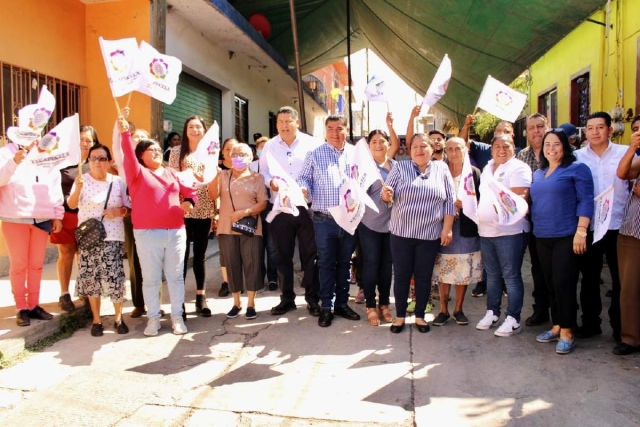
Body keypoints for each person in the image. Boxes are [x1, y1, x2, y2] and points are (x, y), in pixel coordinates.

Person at [118, 116, 197, 336]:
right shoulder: (137, 173)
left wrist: (190, 202)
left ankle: (177, 317)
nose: (155, 152)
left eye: (157, 149)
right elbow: (126, 153)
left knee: (176, 277)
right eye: (150, 150)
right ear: (140, 155)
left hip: (176, 232)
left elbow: (190, 190)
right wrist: (124, 133)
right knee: (151, 278)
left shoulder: (171, 172)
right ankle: (153, 318)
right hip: (147, 234)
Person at [381, 133, 455, 334]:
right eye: (415, 147)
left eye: (424, 146)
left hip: (429, 235)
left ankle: (421, 316)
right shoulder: (400, 168)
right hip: (401, 234)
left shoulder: (441, 168)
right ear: (409, 150)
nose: (419, 150)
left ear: (432, 149)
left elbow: (449, 200)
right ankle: (400, 317)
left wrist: (446, 229)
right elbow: (387, 196)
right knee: (403, 276)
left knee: (424, 277)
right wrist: (386, 195)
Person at [530, 129, 593, 354]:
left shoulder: (577, 169)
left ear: (565, 146)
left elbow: (586, 201)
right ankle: (557, 325)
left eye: (556, 144)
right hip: (542, 236)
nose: (551, 148)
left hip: (567, 236)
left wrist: (581, 231)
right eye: (547, 144)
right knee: (550, 283)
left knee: (564, 282)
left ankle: (568, 331)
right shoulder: (540, 173)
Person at [297, 115, 362, 327]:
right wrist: (304, 188)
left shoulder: (356, 154)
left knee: (344, 263)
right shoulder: (315, 154)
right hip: (324, 220)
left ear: (347, 129)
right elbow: (303, 178)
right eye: (331, 128)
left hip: (349, 219)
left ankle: (342, 303)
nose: (335, 132)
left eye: (339, 128)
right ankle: (327, 305)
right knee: (325, 263)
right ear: (325, 131)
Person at [260, 106, 322, 317]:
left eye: (288, 121)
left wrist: (308, 188)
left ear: (297, 123)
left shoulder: (311, 144)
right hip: (280, 208)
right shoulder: (269, 146)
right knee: (282, 256)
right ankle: (287, 299)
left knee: (310, 256)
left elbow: (318, 173)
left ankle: (313, 299)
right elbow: (263, 173)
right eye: (280, 122)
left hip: (306, 208)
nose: (284, 125)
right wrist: (272, 183)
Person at [67, 143, 131, 337]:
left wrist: (117, 211)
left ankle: (118, 317)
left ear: (109, 161)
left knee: (114, 278)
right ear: (88, 161)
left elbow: (128, 208)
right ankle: (97, 320)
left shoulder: (118, 181)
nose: (98, 162)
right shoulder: (81, 180)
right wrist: (77, 189)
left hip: (112, 236)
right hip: (88, 239)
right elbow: (71, 204)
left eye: (102, 158)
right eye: (93, 158)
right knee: (92, 279)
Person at [574, 112, 627, 341]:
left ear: (609, 130)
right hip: (590, 226)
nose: (595, 132)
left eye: (600, 127)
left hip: (618, 224)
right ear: (585, 131)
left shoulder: (625, 153)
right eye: (590, 128)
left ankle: (621, 327)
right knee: (589, 278)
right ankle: (590, 323)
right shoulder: (577, 157)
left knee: (620, 280)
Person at [0, 137, 64, 326]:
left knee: (36, 264)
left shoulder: (46, 154)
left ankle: (34, 304)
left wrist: (57, 214)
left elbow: (54, 185)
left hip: (42, 218)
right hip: (15, 218)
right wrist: (14, 162)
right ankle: (21, 308)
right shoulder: (5, 153)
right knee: (19, 265)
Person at [475, 135, 531, 337]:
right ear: (491, 150)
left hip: (510, 232)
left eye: (505, 146)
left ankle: (513, 318)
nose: (501, 150)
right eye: (496, 146)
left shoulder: (518, 168)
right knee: (492, 276)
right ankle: (493, 312)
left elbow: (517, 200)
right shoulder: (487, 168)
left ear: (513, 148)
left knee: (511, 276)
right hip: (486, 231)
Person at [208, 143, 267, 319]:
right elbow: (212, 195)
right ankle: (236, 302)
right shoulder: (223, 175)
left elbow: (263, 203)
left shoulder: (257, 178)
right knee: (232, 265)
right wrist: (214, 175)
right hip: (227, 228)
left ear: (251, 158)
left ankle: (251, 303)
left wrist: (246, 212)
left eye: (242, 154)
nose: (238, 157)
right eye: (234, 154)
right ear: (228, 157)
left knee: (252, 264)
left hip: (250, 228)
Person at [169, 116, 217, 318]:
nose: (195, 130)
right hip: (184, 208)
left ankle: (200, 297)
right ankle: (178, 302)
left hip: (205, 208)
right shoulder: (176, 152)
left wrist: (216, 209)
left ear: (204, 130)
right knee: (179, 255)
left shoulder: (210, 152)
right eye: (191, 126)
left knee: (200, 254)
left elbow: (214, 179)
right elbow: (171, 179)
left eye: (198, 127)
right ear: (185, 129)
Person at [431, 137, 482, 326]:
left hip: (466, 228)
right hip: (443, 227)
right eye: (449, 149)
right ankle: (443, 310)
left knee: (463, 269)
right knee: (443, 269)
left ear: (465, 150)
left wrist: (467, 204)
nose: (453, 153)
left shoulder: (474, 173)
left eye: (457, 149)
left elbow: (482, 201)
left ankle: (459, 309)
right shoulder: (438, 170)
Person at [50, 125, 96, 312]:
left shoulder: (96, 162)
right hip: (66, 216)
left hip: (87, 217)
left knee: (84, 255)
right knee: (67, 253)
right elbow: (53, 190)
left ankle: (84, 290)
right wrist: (55, 216)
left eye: (89, 140)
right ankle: (64, 293)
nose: (85, 143)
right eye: (81, 139)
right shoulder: (62, 162)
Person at [111, 119, 151, 318]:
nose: (140, 140)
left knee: (153, 261)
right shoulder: (123, 161)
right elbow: (115, 145)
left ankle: (154, 302)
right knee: (135, 260)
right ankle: (139, 303)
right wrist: (117, 124)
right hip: (130, 214)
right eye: (137, 137)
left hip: (152, 215)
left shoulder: (153, 165)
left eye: (144, 138)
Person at [358, 129, 396, 326]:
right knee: (371, 264)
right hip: (369, 224)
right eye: (374, 142)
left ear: (389, 143)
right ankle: (371, 306)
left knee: (386, 267)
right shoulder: (364, 168)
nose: (378, 145)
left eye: (382, 141)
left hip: (392, 225)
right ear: (369, 146)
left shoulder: (397, 168)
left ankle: (384, 304)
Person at [517, 113, 550, 327]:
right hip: (532, 221)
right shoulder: (521, 157)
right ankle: (541, 310)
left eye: (540, 126)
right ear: (526, 132)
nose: (536, 131)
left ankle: (565, 314)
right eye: (532, 128)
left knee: (559, 270)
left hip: (557, 220)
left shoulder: (560, 151)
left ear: (547, 127)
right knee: (537, 268)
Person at [614, 115, 640, 355]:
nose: (638, 132)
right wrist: (633, 148)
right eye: (635, 129)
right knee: (629, 288)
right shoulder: (637, 157)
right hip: (632, 231)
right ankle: (630, 338)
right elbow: (622, 173)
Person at [250, 136, 278, 290]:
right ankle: (259, 277)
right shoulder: (251, 166)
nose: (263, 150)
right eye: (260, 148)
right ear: (256, 150)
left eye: (266, 147)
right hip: (255, 210)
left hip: (272, 209)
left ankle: (273, 278)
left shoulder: (275, 166)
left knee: (272, 247)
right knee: (258, 246)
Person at [217, 137, 239, 297]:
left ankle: (239, 279)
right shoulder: (217, 172)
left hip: (244, 217)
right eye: (227, 150)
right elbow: (213, 195)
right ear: (223, 152)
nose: (231, 153)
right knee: (225, 252)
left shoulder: (249, 171)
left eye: (234, 149)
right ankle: (226, 282)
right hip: (223, 216)